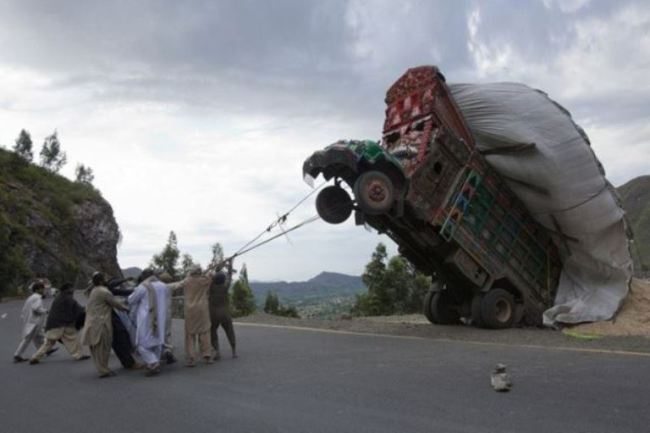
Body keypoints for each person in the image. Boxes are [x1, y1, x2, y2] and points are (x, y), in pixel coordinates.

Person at [81, 272, 129, 378]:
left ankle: (102, 369)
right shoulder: (104, 291)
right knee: (103, 348)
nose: (107, 280)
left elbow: (86, 292)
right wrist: (127, 309)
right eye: (105, 278)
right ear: (101, 281)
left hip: (92, 323)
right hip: (101, 323)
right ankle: (104, 371)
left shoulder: (93, 290)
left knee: (96, 349)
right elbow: (116, 304)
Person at [29, 283, 89, 364]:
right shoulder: (67, 298)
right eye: (71, 288)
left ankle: (35, 357)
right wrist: (88, 309)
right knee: (72, 338)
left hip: (53, 324)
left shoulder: (60, 297)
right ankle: (78, 355)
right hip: (62, 323)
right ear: (68, 289)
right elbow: (78, 309)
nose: (73, 290)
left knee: (49, 342)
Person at [128, 269, 170, 376]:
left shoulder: (143, 287)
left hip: (147, 319)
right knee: (158, 341)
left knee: (141, 344)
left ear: (144, 277)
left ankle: (153, 362)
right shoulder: (163, 286)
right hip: (161, 318)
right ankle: (154, 362)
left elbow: (131, 300)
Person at [169, 266, 212, 367]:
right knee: (204, 332)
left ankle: (191, 358)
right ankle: (207, 355)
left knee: (190, 334)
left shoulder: (187, 281)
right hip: (202, 309)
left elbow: (176, 285)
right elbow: (211, 276)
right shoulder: (204, 280)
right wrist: (208, 271)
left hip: (190, 310)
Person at [13, 281, 51, 362]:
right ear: (37, 289)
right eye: (42, 289)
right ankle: (18, 354)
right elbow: (36, 308)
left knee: (39, 337)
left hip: (30, 321)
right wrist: (46, 311)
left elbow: (24, 310)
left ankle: (44, 351)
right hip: (34, 322)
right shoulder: (37, 297)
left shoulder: (31, 297)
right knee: (28, 339)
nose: (43, 290)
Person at [106, 277, 139, 369]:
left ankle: (128, 357)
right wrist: (125, 279)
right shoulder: (105, 291)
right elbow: (113, 284)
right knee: (121, 335)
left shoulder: (106, 291)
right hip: (112, 317)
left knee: (122, 335)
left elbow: (124, 292)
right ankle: (128, 361)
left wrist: (137, 291)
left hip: (114, 316)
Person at [209, 259, 237, 359]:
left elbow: (210, 276)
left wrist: (214, 267)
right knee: (230, 332)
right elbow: (229, 275)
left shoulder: (211, 287)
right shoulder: (225, 287)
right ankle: (234, 351)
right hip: (225, 314)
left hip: (213, 315)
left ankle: (217, 351)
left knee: (213, 332)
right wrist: (230, 264)